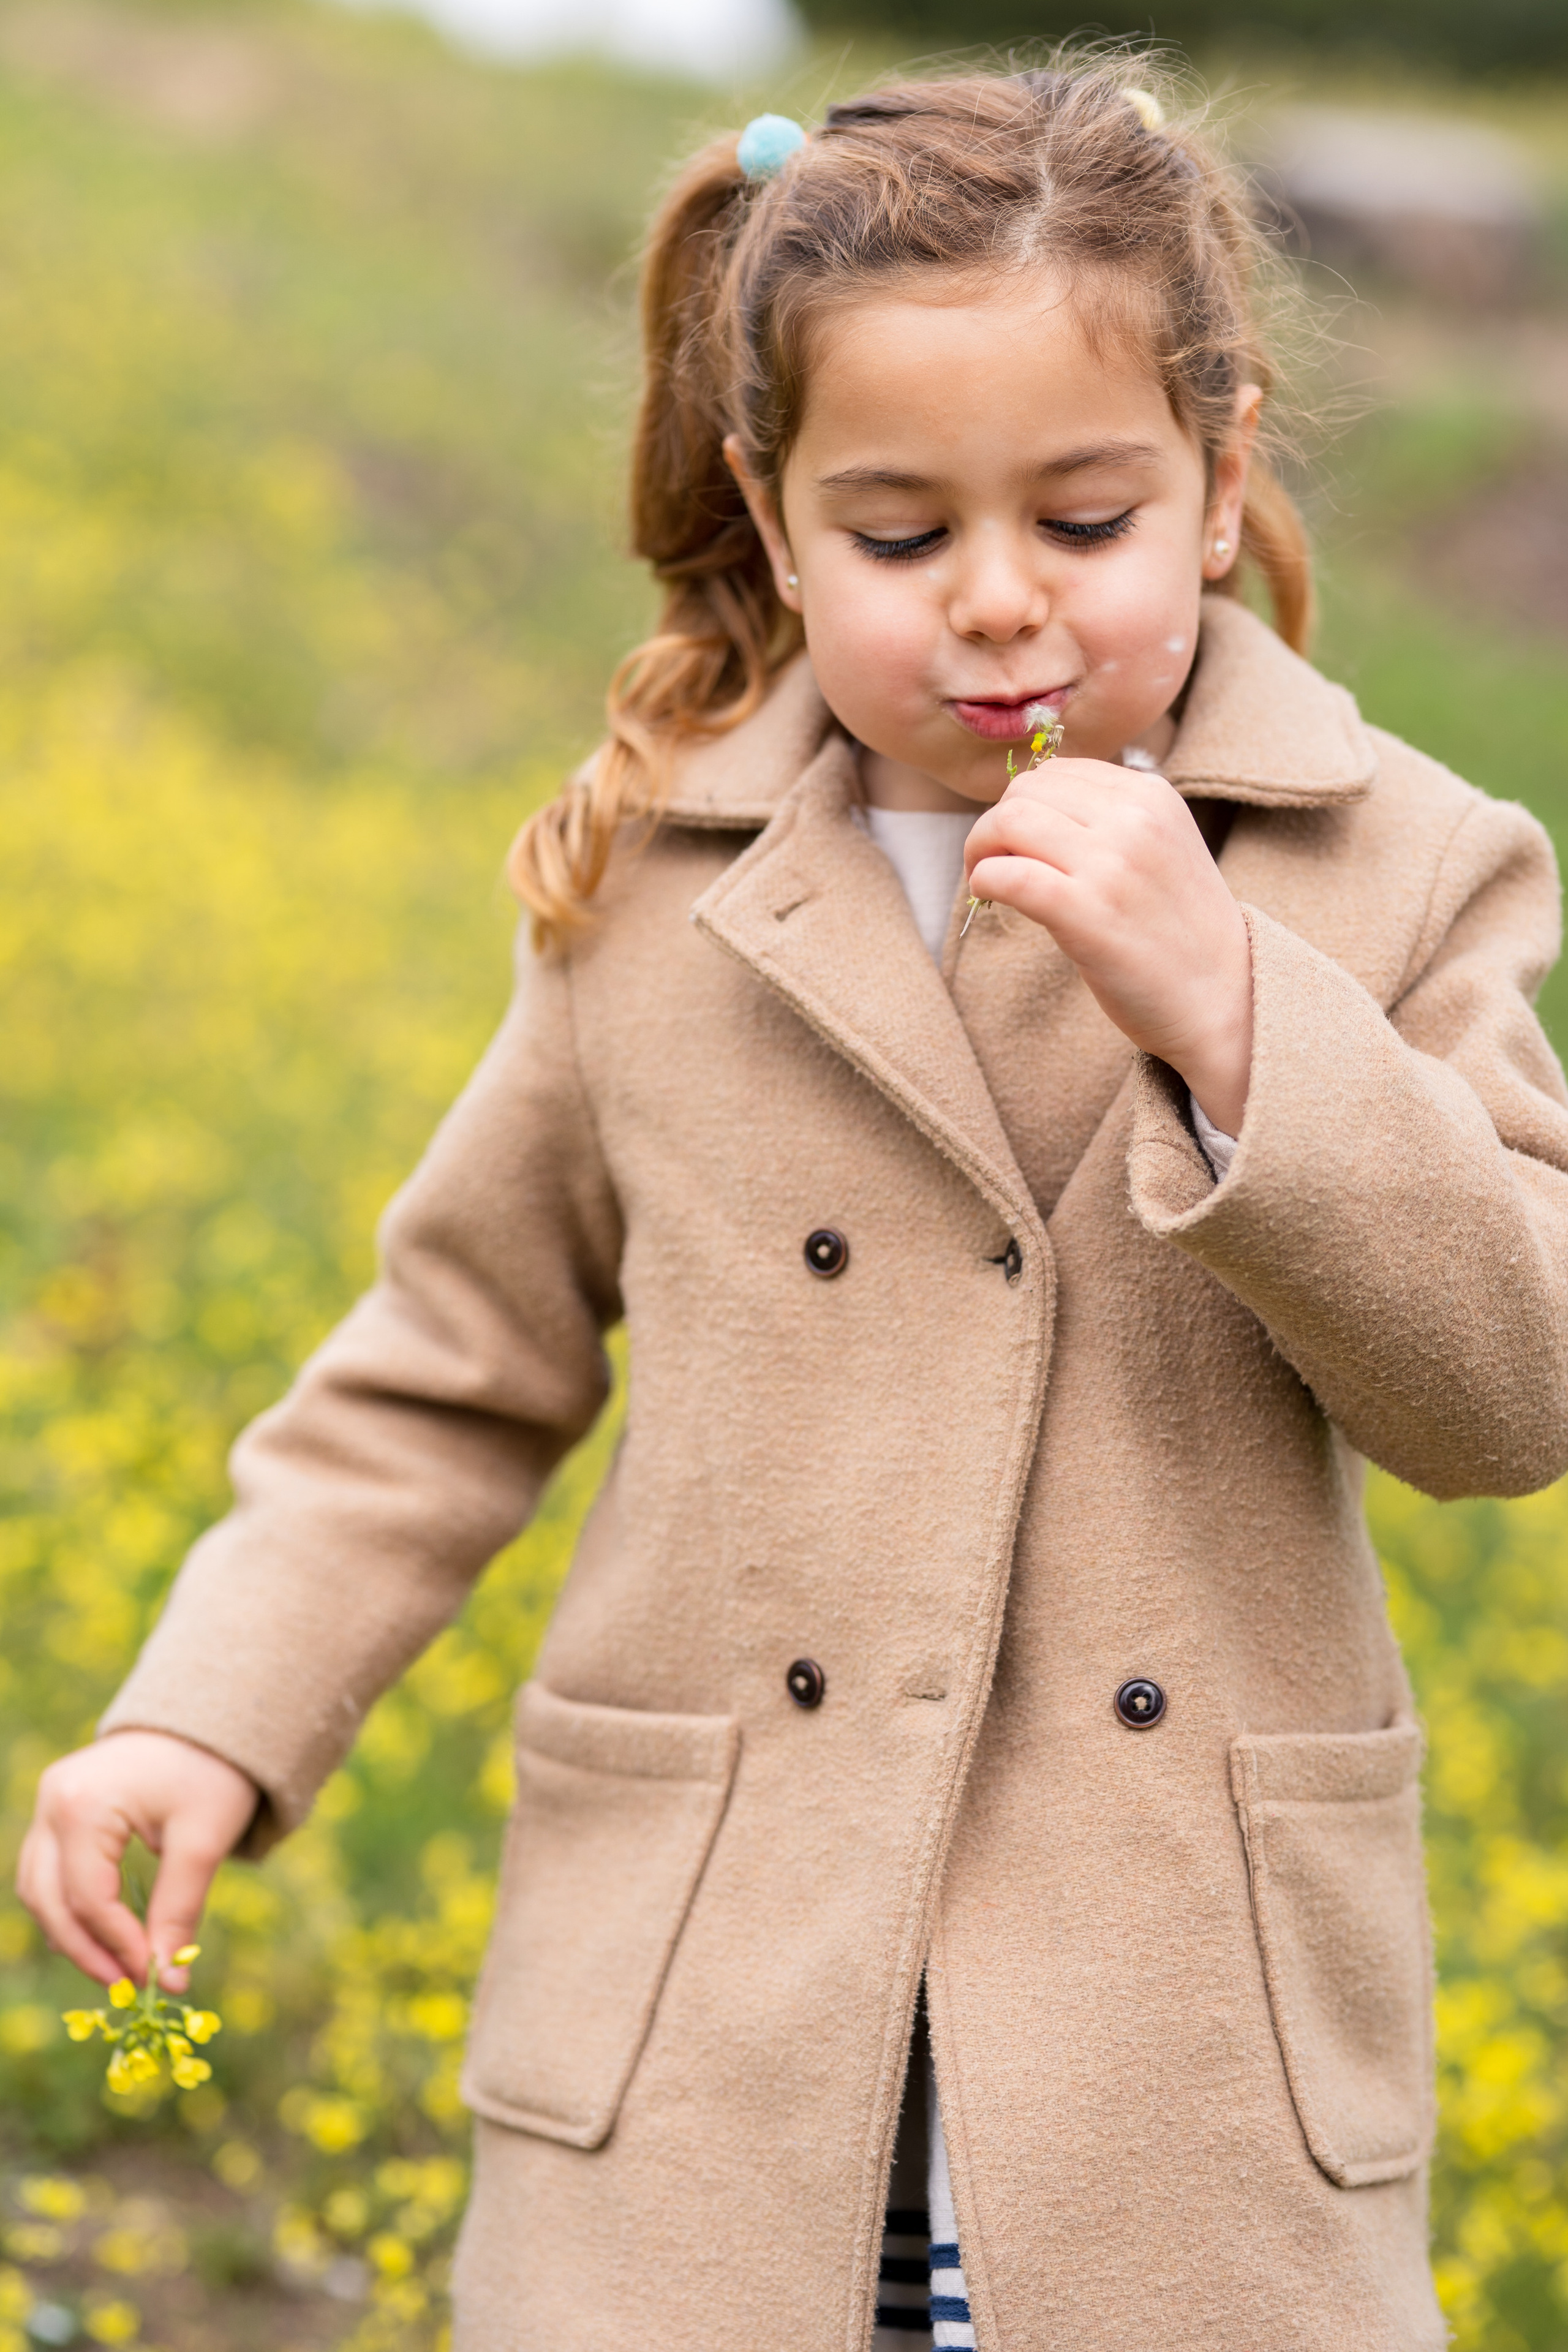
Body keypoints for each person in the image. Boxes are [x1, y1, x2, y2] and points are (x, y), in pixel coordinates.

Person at [18, 56, 1568, 2352]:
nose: (999, 611)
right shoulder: (657, 882)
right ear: (767, 514)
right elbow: (446, 1376)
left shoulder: (1396, 865)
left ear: (1222, 486)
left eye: (1083, 518)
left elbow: (1512, 1386)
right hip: (713, 2035)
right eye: (901, 533)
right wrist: (208, 1712)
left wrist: (1243, 1019)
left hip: (1176, 2082)